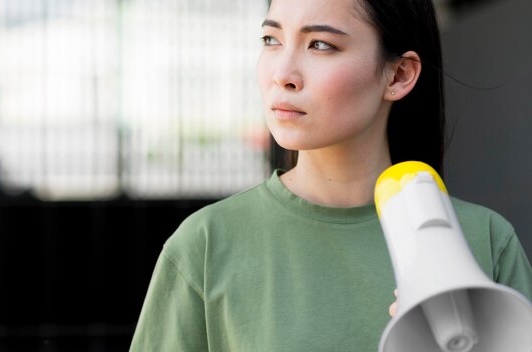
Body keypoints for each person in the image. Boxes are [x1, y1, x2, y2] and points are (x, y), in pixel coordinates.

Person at [129, 0, 532, 350]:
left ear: (398, 75)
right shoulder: (204, 246)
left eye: (321, 44)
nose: (282, 73)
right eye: (271, 40)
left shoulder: (485, 241)